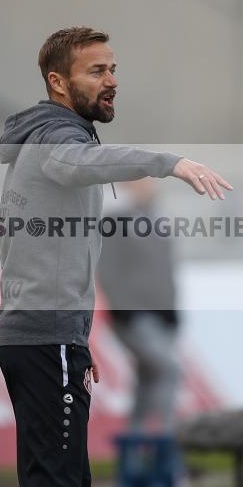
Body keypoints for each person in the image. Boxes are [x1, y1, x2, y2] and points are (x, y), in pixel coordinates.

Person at [0, 26, 231, 487]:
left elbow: (38, 252)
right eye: (97, 70)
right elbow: (76, 161)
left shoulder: (45, 134)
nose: (111, 80)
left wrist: (75, 338)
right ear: (58, 83)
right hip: (43, 336)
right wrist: (168, 163)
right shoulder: (57, 137)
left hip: (45, 335)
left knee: (61, 486)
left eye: (113, 69)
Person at [96, 178, 180, 434]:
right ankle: (168, 443)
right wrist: (122, 311)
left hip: (160, 315)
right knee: (168, 369)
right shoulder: (116, 220)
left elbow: (166, 271)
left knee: (148, 379)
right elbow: (107, 271)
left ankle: (135, 443)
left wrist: (172, 310)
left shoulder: (157, 219)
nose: (150, 186)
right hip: (134, 315)